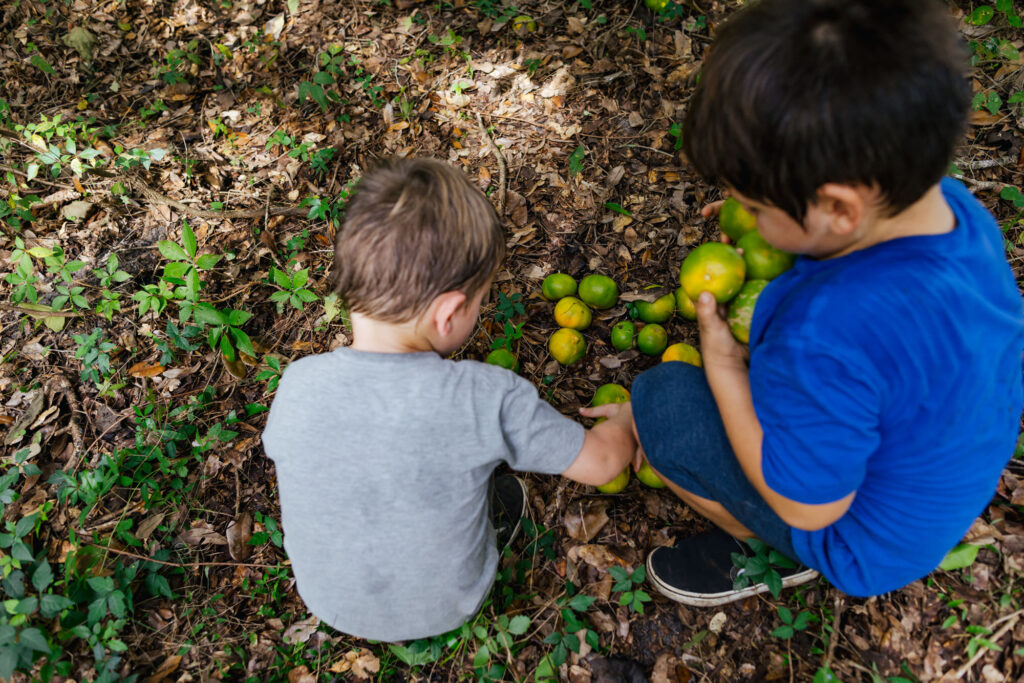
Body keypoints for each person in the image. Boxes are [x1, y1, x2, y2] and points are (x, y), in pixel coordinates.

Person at [632, 0, 1024, 605]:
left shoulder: (821, 334)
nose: (748, 220)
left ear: (839, 209)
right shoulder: (957, 214)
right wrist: (778, 220)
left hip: (855, 538)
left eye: (758, 207)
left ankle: (765, 552)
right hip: (939, 483)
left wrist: (726, 367)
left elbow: (807, 507)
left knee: (662, 402)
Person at [261, 158, 638, 641]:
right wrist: (628, 417)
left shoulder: (298, 383)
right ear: (450, 313)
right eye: (481, 299)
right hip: (444, 606)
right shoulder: (483, 398)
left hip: (329, 600)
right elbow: (603, 463)